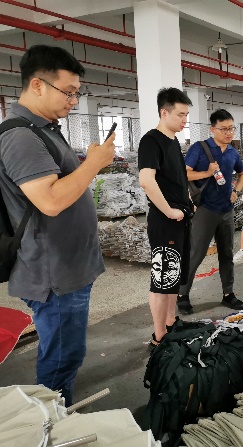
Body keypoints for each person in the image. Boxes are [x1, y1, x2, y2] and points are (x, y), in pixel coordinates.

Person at [0, 45, 115, 406]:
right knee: (62, 357)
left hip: (68, 268)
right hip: (54, 273)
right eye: (68, 92)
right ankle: (50, 422)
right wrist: (93, 163)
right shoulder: (21, 136)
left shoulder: (45, 129)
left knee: (67, 353)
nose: (74, 100)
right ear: (37, 85)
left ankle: (55, 414)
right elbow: (49, 200)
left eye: (77, 92)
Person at [177, 109, 243, 314]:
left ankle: (228, 294)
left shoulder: (232, 152)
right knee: (196, 253)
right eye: (224, 129)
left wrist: (236, 191)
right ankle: (182, 294)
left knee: (226, 254)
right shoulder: (199, 148)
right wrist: (207, 173)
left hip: (226, 211)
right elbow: (184, 174)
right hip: (205, 210)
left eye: (231, 129)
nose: (229, 133)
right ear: (213, 129)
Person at [138, 88, 193, 348]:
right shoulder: (152, 141)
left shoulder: (173, 142)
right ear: (164, 112)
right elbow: (146, 181)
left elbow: (176, 180)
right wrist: (169, 211)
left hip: (180, 221)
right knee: (162, 280)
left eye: (186, 115)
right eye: (180, 114)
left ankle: (171, 322)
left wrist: (187, 202)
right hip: (165, 222)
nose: (185, 120)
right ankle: (159, 336)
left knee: (173, 276)